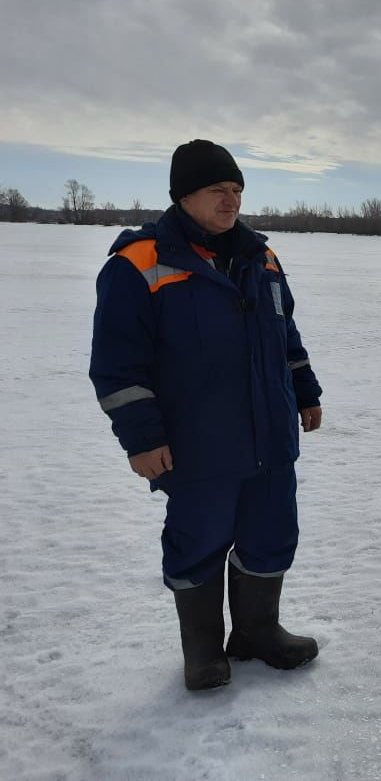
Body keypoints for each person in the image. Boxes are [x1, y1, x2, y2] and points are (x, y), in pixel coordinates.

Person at [89, 139, 324, 691]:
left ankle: (257, 633)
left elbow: (284, 334)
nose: (231, 201)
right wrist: (141, 440)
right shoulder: (139, 263)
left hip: (269, 435)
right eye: (218, 190)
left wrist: (306, 391)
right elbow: (118, 368)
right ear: (183, 196)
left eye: (237, 190)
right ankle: (202, 651)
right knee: (198, 541)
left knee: (271, 535)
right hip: (197, 444)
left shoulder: (262, 258)